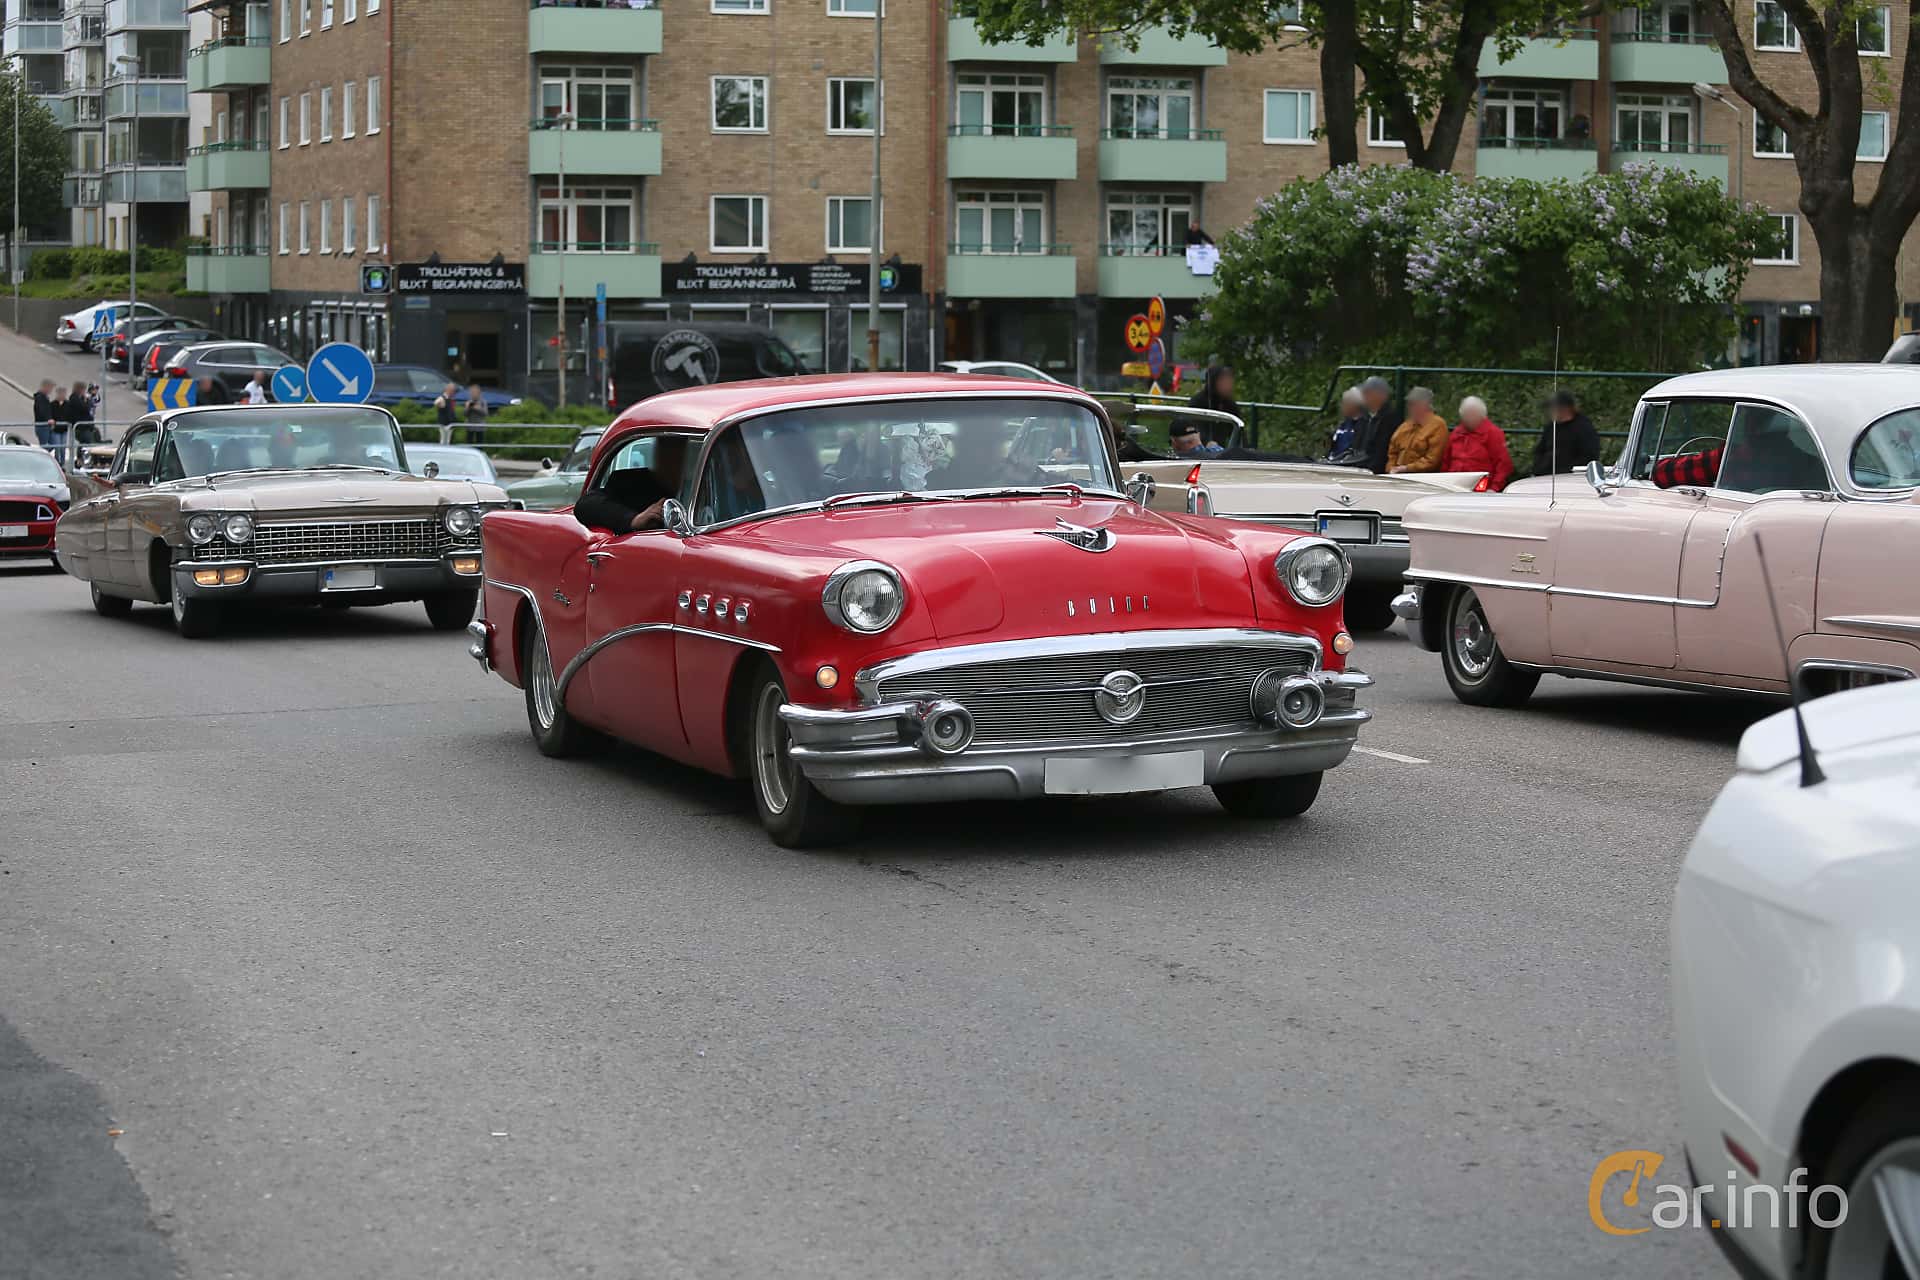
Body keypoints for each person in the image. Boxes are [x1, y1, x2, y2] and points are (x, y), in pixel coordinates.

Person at [575, 436, 691, 533]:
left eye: (679, 454)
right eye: (667, 451)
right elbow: (586, 504)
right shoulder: (634, 483)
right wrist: (634, 519)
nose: (673, 460)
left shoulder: (695, 487)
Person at [1441, 396, 1514, 491]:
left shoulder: (1493, 433)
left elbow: (1504, 465)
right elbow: (1446, 462)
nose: (1468, 419)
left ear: (1482, 416)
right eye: (1465, 416)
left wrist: (1494, 488)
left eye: (1472, 416)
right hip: (1454, 486)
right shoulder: (1456, 433)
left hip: (1481, 488)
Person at [1532, 389, 1601, 477]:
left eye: (1552, 408)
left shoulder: (1583, 428)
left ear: (1564, 408)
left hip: (1570, 477)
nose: (1550, 411)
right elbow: (1540, 451)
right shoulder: (1551, 427)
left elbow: (1589, 456)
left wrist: (1565, 471)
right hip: (1546, 475)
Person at [1386, 386, 1448, 474]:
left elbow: (1432, 460)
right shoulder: (1405, 425)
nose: (1409, 407)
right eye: (1409, 404)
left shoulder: (1438, 426)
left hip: (1422, 477)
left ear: (1424, 405)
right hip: (1398, 475)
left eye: (1412, 404)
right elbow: (1392, 452)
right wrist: (1391, 468)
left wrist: (1406, 468)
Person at [1352, 376, 1398, 473]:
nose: (1363, 396)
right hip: (1357, 468)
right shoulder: (1363, 417)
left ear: (1381, 395)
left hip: (1374, 473)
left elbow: (1382, 454)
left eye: (1368, 393)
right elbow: (1355, 446)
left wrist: (1366, 472)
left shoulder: (1390, 419)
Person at [1188, 365, 1240, 444]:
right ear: (1213, 383)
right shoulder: (1198, 402)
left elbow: (1239, 433)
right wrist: (1207, 442)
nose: (1229, 386)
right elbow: (1195, 429)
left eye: (1230, 382)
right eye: (1224, 382)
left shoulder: (1230, 405)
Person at [1329, 388, 1365, 460]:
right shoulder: (1343, 425)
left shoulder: (1365, 426)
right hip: (1332, 462)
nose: (1341, 406)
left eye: (1344, 403)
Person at [32, 380, 56, 449]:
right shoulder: (40, 397)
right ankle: (41, 454)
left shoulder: (45, 397)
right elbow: (41, 410)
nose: (51, 390)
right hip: (42, 426)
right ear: (45, 387)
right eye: (50, 388)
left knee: (53, 443)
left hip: (46, 425)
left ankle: (42, 453)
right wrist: (48, 419)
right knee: (45, 445)